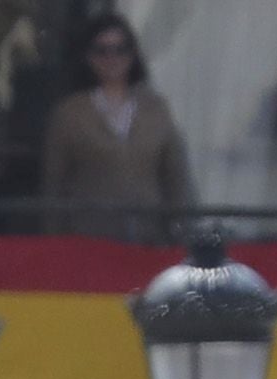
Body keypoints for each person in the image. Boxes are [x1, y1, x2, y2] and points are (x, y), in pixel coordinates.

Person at [38, 15, 194, 229]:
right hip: (89, 239)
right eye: (102, 51)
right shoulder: (69, 113)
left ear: (133, 55)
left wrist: (181, 229)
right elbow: (54, 184)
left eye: (121, 49)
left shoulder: (156, 109)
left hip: (148, 240)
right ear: (88, 57)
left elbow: (175, 176)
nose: (112, 58)